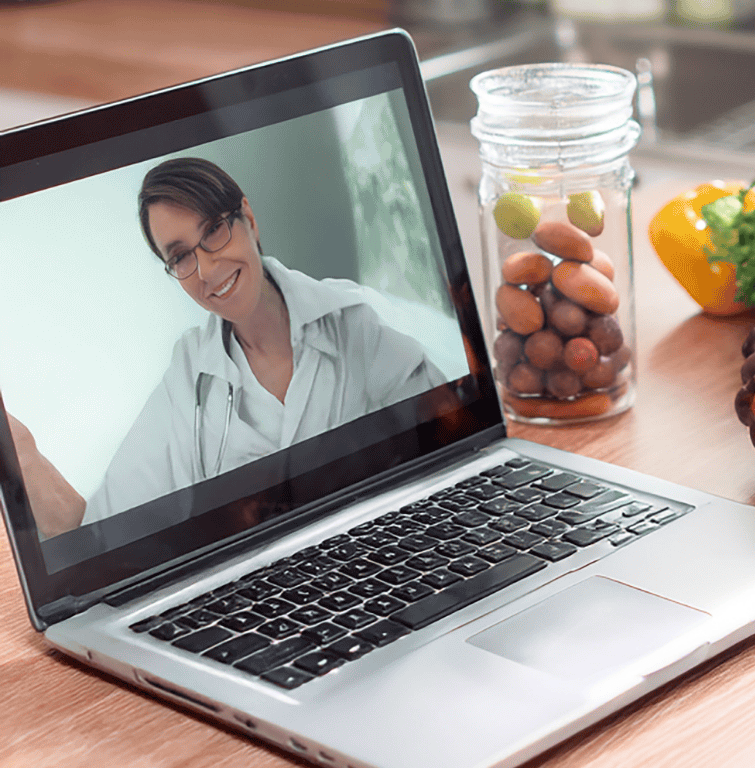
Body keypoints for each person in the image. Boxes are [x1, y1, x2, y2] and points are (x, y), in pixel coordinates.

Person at [24, 157, 447, 535]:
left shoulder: (353, 321)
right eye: (180, 256)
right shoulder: (189, 379)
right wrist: (22, 452)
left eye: (213, 230)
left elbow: (449, 443)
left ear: (248, 217)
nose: (206, 268)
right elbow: (100, 536)